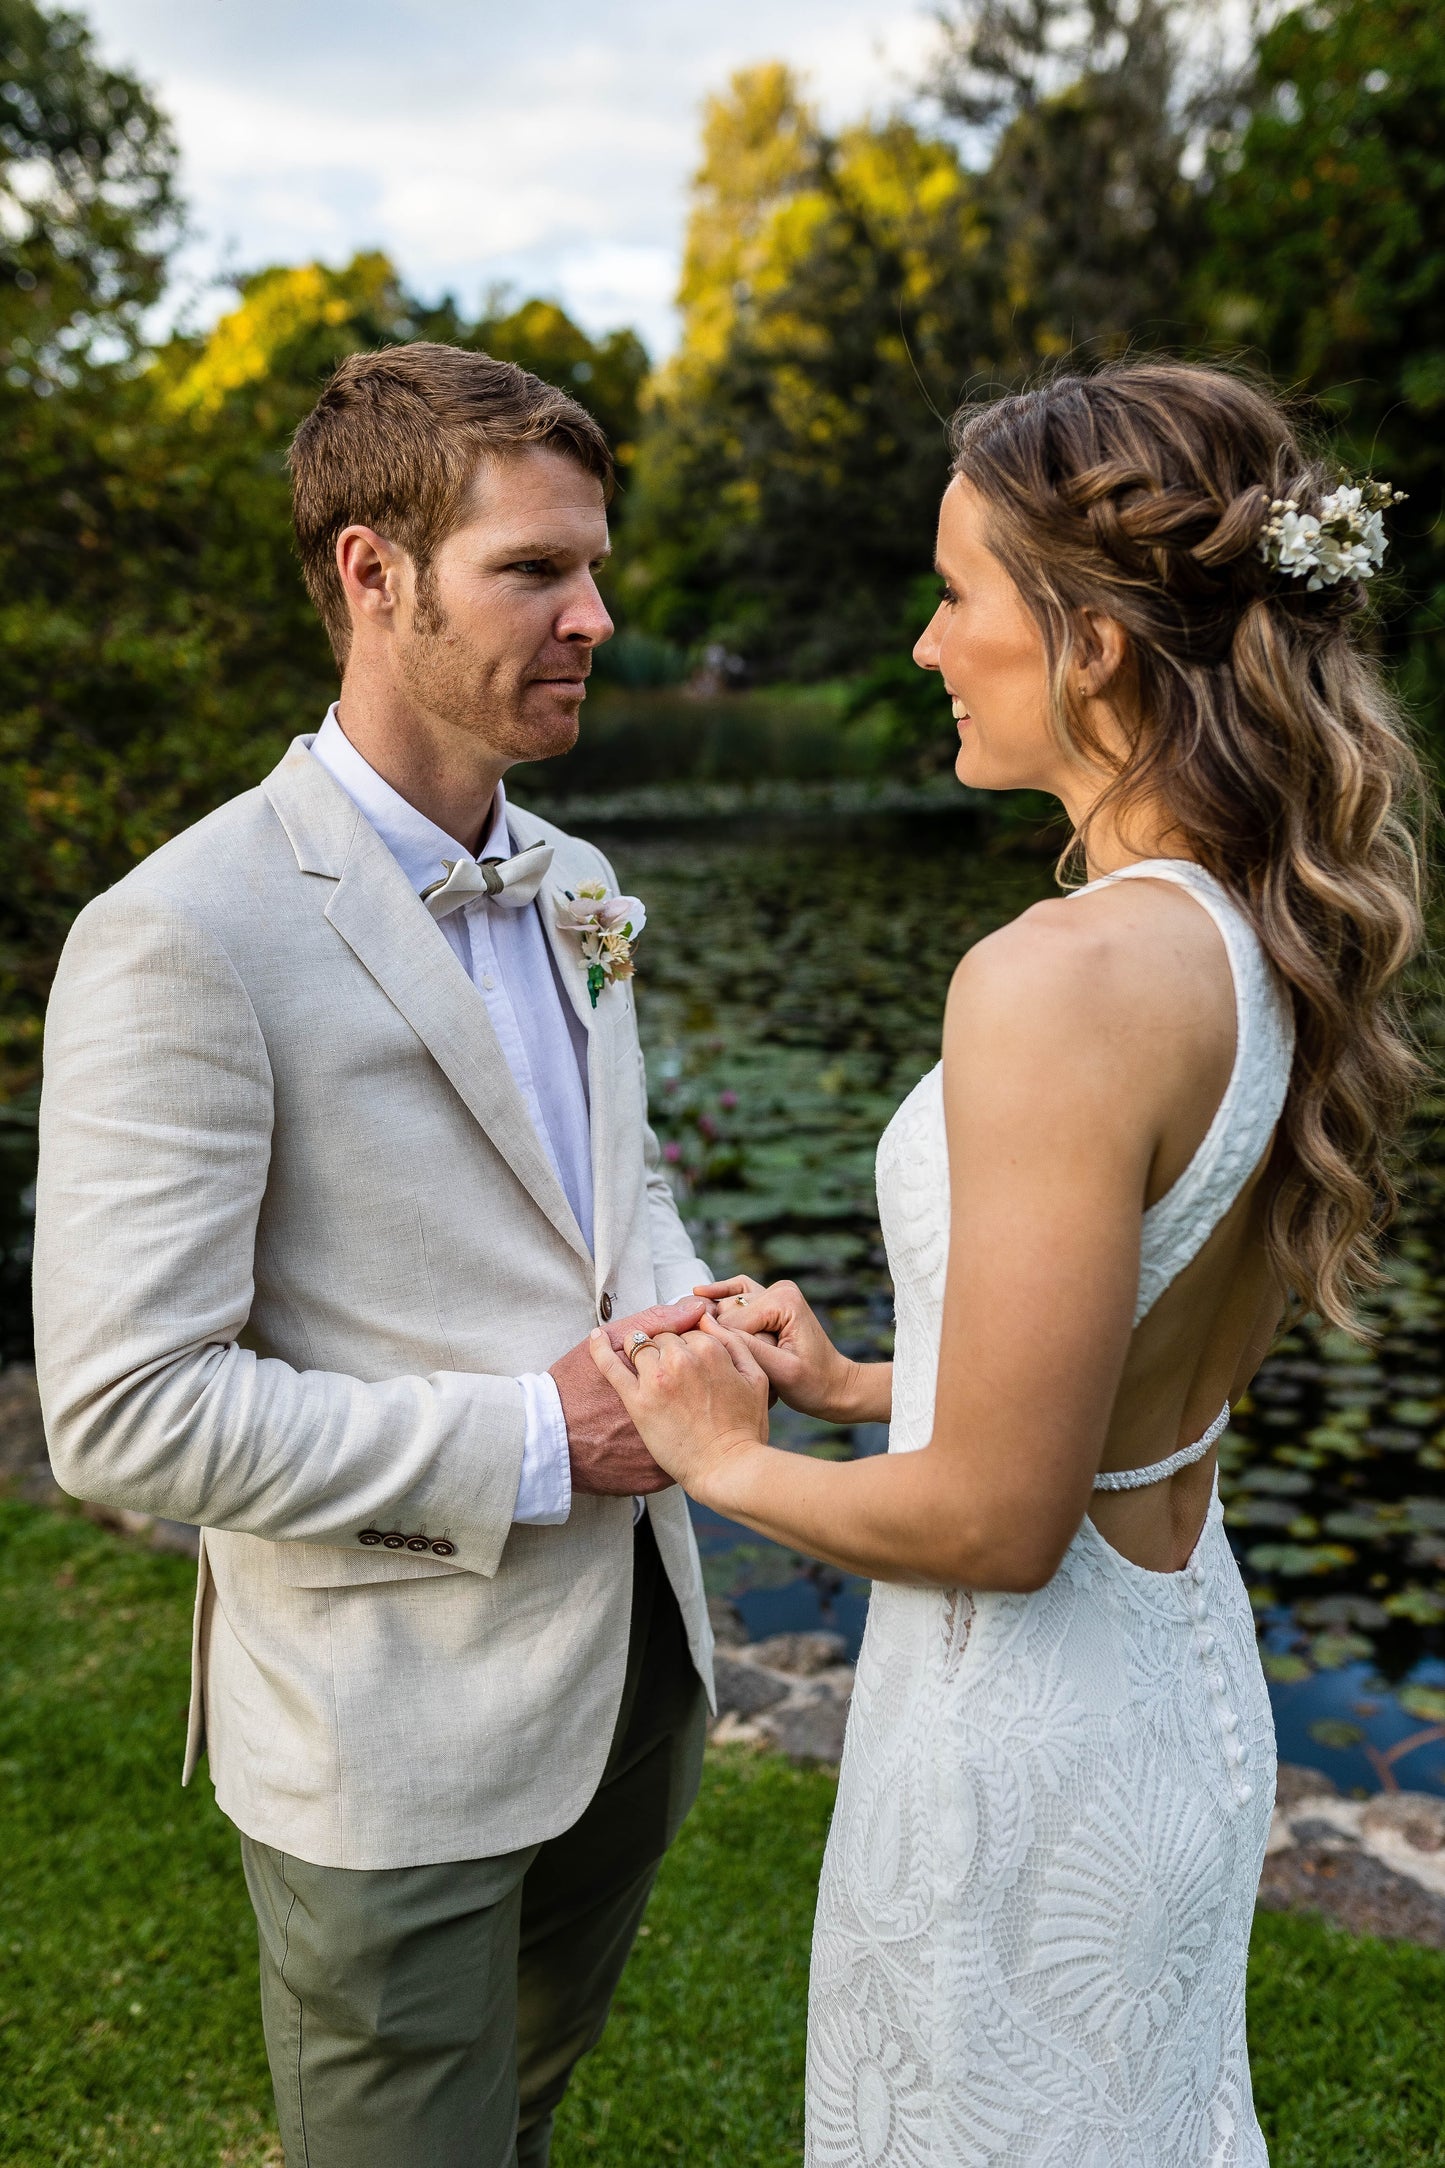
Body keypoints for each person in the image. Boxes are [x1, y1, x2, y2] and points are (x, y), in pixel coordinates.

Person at [589, 361, 1423, 2164]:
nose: (922, 643)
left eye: (958, 590)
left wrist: (724, 1456)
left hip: (1023, 1740)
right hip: (1175, 1680)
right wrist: (870, 1382)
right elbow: (1153, 1339)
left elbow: (996, 1521)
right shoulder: (1262, 928)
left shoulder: (1054, 978)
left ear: (1093, 643)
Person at [33, 343, 717, 2168]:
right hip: (387, 1726)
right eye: (535, 572)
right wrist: (542, 1436)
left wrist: (688, 1317)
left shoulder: (573, 877)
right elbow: (124, 1413)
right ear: (369, 572)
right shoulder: (181, 930)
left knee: (516, 2122)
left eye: (592, 565)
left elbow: (604, 1192)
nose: (595, 614)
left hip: (633, 1670)